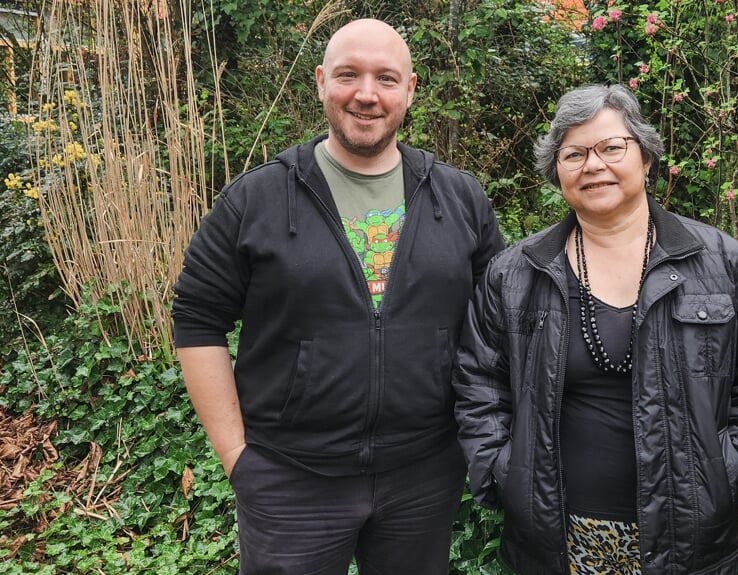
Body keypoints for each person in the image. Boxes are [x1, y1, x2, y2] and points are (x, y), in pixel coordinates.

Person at [172, 18, 504, 574]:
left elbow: (497, 317)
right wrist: (238, 459)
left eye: (386, 78)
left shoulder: (460, 197)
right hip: (290, 480)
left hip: (423, 476)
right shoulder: (256, 199)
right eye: (349, 75)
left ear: (410, 89)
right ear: (322, 82)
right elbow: (198, 319)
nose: (367, 94)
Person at [453, 84, 738, 575]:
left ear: (646, 157)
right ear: (557, 171)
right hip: (555, 542)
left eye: (611, 147)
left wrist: (734, 473)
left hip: (691, 543)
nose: (593, 165)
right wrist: (503, 472)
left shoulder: (719, 262)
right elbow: (479, 382)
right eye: (573, 153)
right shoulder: (515, 274)